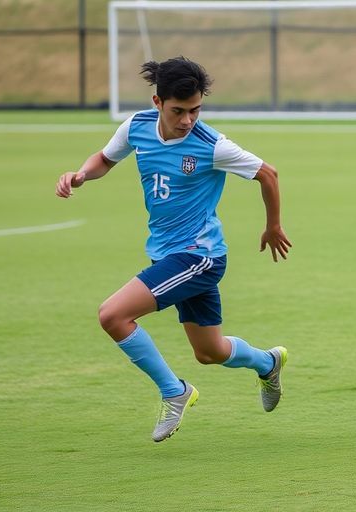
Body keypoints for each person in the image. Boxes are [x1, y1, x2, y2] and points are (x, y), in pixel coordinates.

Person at [55, 57, 292, 442]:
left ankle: (174, 391)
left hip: (199, 256)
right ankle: (268, 362)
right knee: (210, 351)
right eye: (178, 111)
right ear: (157, 102)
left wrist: (273, 225)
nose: (187, 120)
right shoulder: (137, 128)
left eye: (195, 110)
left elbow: (268, 173)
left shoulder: (211, 144)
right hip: (170, 255)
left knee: (112, 315)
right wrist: (81, 174)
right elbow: (104, 159)